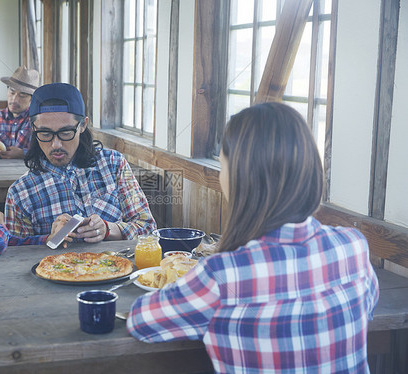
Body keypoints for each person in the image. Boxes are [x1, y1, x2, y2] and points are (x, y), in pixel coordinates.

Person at [127, 102, 379, 373]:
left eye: (222, 166)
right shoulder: (353, 245)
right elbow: (368, 307)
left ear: (239, 179)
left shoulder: (222, 274)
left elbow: (141, 322)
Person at [5, 82, 157, 246]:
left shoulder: (114, 164)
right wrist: (48, 239)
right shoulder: (20, 192)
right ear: (33, 128)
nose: (56, 144)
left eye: (65, 132)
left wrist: (109, 229)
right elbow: (15, 251)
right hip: (53, 270)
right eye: (45, 133)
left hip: (117, 267)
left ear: (83, 125)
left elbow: (148, 229)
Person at [0, 66, 40, 159]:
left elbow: (44, 155)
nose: (14, 99)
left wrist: (23, 153)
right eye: (12, 92)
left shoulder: (38, 121)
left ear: (31, 99)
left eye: (22, 95)